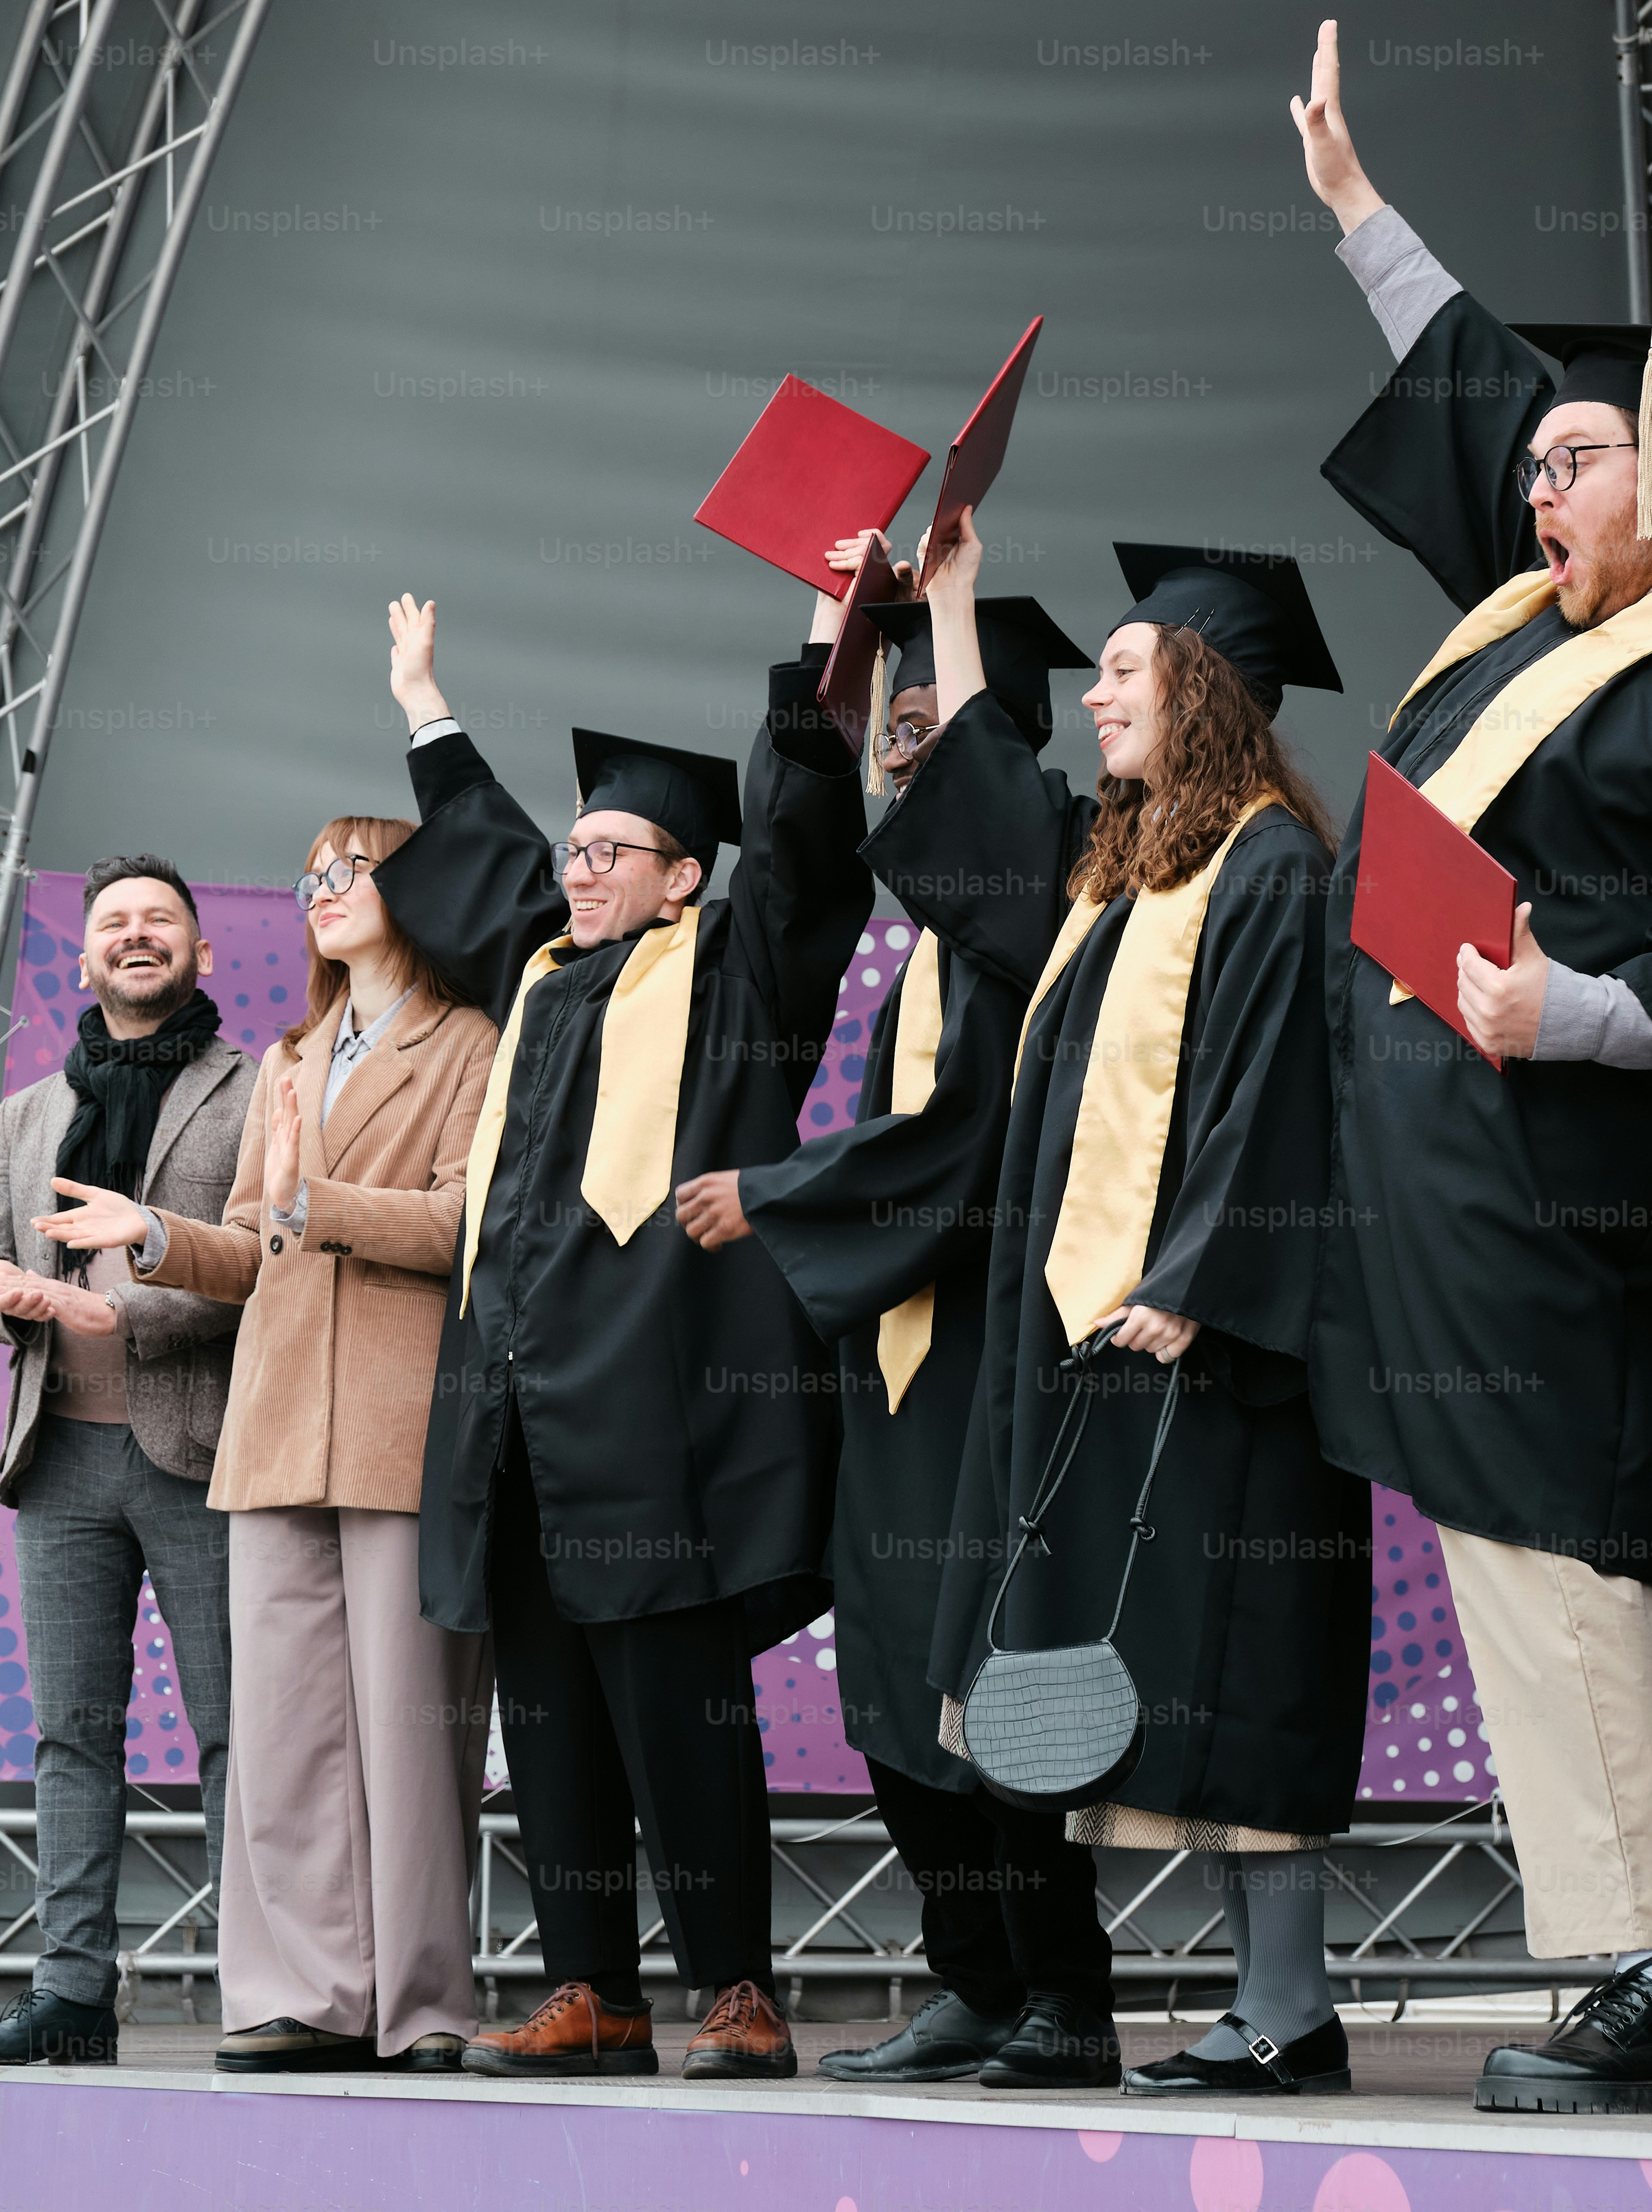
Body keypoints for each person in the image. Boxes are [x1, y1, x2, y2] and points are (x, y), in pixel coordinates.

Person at [1287, 19, 1652, 2114]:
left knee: (1567, 1558)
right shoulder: (1536, 618)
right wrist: (1356, 212)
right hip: (1458, 1190)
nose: (1530, 482)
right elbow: (1487, 389)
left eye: (1576, 461)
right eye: (1531, 468)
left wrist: (1567, 1013)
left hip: (1581, 1192)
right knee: (1531, 1562)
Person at [371, 590, 875, 2080]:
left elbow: (801, 868)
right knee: (553, 1726)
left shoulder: (732, 982)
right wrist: (426, 706)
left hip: (664, 1426)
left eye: (612, 854)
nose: (579, 870)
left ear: (683, 879)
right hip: (523, 1424)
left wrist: (817, 652)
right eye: (575, 852)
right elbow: (471, 854)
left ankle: (736, 1988)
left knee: (683, 1717)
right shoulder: (539, 980)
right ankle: (591, 1987)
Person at [677, 528, 1124, 2091]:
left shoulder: (1045, 899)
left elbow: (967, 1133)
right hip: (901, 1357)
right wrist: (838, 626)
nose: (902, 755)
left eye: (937, 732)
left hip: (1003, 1352)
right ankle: (976, 1982)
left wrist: (785, 1194)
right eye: (892, 732)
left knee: (993, 1669)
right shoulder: (919, 932)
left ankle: (1065, 1993)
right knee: (888, 1670)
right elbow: (799, 832)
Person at [921, 532, 1365, 2100]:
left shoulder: (1276, 871)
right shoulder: (1123, 883)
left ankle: (1289, 2008)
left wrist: (1200, 1273)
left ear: (1205, 693)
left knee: (1239, 1666)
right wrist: (949, 609)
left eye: (1124, 672)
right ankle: (1220, 2005)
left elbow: (1283, 1100)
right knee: (1120, 1668)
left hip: (1211, 1347)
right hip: (1098, 1344)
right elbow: (972, 798)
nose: (1096, 696)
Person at [41, 816, 502, 2074]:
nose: (323, 891)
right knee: (287, 1731)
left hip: (402, 1423)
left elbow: (467, 1222)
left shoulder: (470, 1040)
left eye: (348, 868)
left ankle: (420, 2002)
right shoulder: (294, 1053)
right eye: (311, 877)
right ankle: (308, 1989)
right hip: (275, 1421)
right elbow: (249, 1246)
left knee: (411, 1732)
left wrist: (318, 1200)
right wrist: (154, 1234)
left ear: (413, 888)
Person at [0, 856, 253, 2067]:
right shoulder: (25, 1112)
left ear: (199, 953)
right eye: (113, 921)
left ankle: (265, 1988)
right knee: (72, 1731)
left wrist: (118, 1314)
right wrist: (15, 1304)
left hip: (202, 1450)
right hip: (59, 1461)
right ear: (82, 957)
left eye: (159, 920)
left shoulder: (254, 1087)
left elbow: (257, 1265)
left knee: (237, 1730)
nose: (135, 935)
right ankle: (71, 1993)